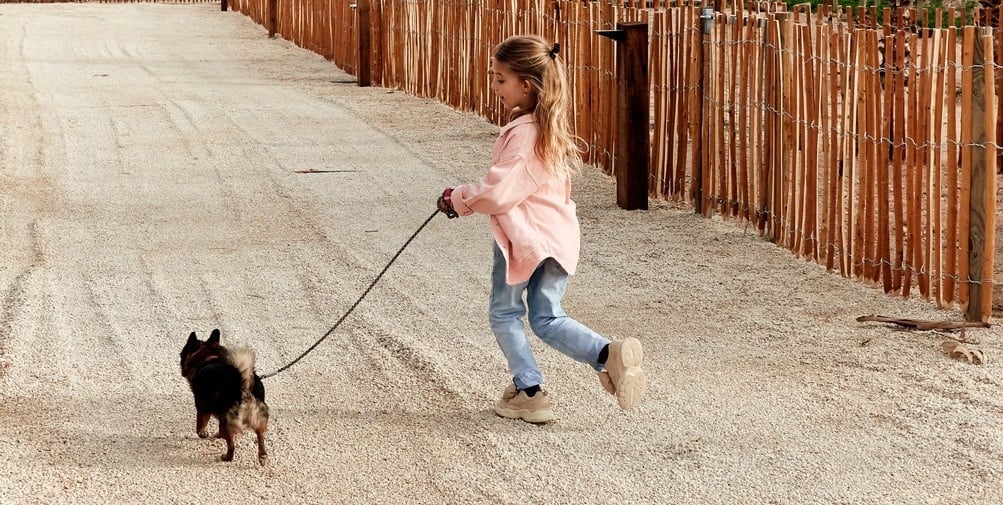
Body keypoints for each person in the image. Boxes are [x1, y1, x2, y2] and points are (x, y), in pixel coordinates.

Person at [436, 34, 646, 424]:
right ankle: (606, 354)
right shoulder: (546, 129)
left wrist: (459, 198)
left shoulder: (525, 134)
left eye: (500, 79)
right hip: (557, 239)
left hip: (525, 240)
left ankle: (529, 392)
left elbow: (500, 192)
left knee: (504, 314)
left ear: (526, 85)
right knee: (547, 317)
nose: (494, 86)